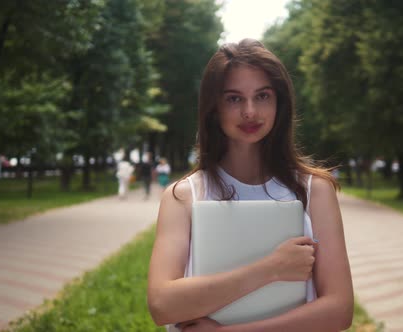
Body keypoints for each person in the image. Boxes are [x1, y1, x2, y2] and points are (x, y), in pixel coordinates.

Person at [147, 39, 353, 332]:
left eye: (263, 96)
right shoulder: (183, 196)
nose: (250, 111)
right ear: (214, 108)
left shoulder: (315, 191)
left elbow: (340, 310)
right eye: (234, 98)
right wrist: (271, 269)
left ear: (279, 103)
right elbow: (161, 305)